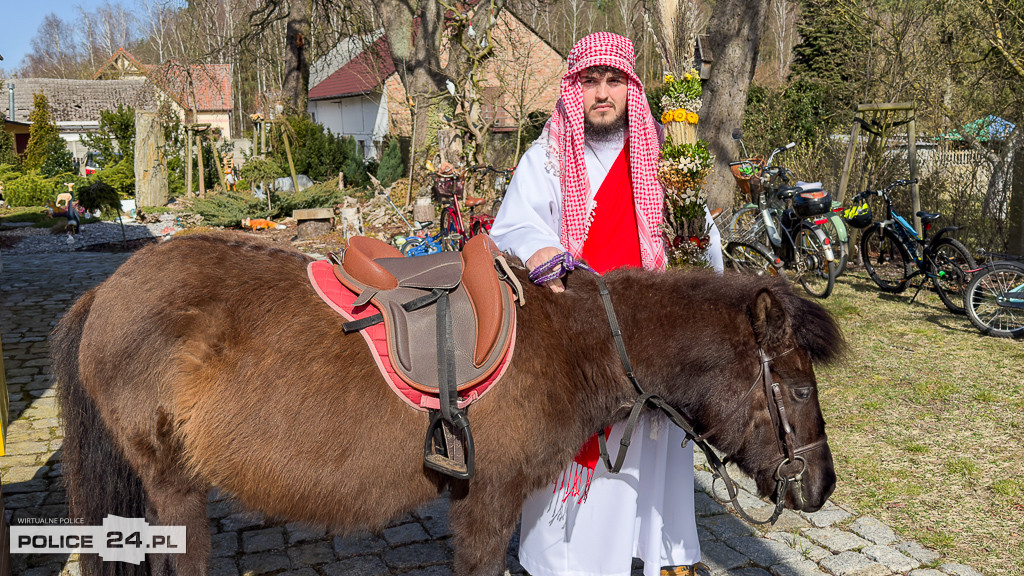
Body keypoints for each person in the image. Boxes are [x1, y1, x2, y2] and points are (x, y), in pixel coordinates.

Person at [489, 32, 722, 576]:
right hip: (576, 336)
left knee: (651, 449)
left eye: (613, 81)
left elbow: (700, 237)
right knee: (574, 448)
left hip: (651, 336)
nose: (601, 93)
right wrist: (542, 247)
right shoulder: (549, 151)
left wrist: (693, 242)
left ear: (629, 88)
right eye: (590, 80)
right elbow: (513, 223)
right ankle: (564, 564)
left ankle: (656, 551)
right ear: (575, 87)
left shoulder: (661, 155)